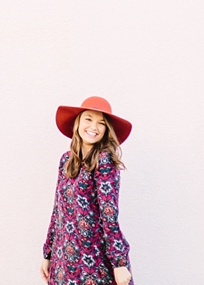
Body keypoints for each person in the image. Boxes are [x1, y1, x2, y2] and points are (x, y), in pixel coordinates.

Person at [40, 96, 134, 285]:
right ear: (78, 123)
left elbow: (109, 215)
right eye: (88, 119)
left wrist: (119, 263)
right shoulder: (66, 161)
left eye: (101, 123)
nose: (94, 127)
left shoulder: (104, 161)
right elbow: (58, 210)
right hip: (64, 258)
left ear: (106, 130)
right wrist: (48, 252)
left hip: (94, 259)